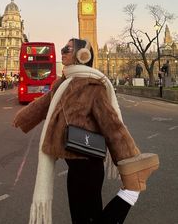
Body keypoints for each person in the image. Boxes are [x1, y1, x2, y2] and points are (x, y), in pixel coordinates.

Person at [13, 38, 159, 224]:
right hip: (74, 165)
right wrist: (24, 117)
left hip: (88, 164)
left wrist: (130, 162)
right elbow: (45, 103)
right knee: (80, 218)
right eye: (63, 47)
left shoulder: (93, 86)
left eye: (68, 48)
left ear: (83, 55)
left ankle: (129, 195)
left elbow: (112, 126)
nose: (62, 51)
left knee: (88, 219)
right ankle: (127, 196)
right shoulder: (64, 83)